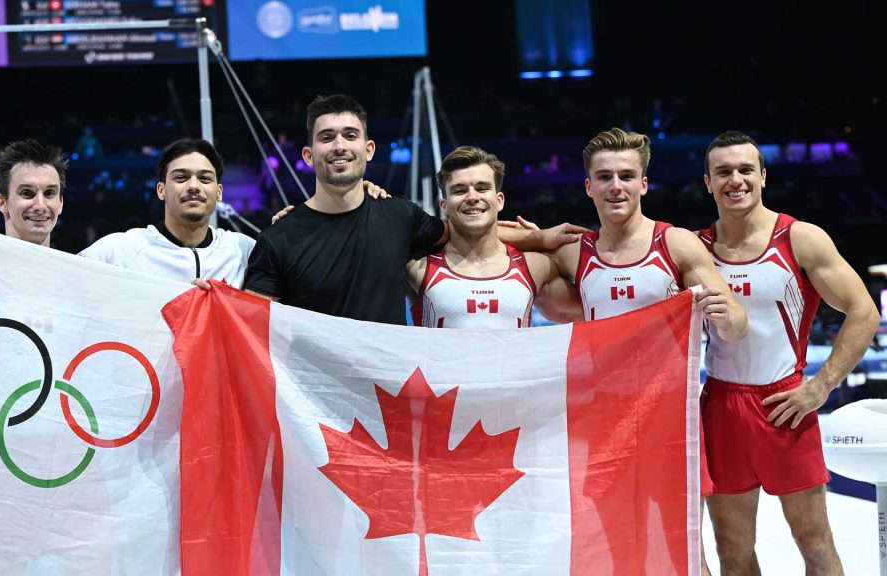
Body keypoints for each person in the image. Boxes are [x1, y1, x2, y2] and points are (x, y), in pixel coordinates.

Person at [507, 127, 747, 576]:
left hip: (669, 420)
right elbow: (484, 235)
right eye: (604, 177)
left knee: (684, 550)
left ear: (644, 184)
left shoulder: (675, 243)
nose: (615, 186)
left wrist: (725, 313)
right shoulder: (575, 252)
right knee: (613, 548)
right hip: (602, 423)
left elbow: (736, 325)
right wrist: (537, 238)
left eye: (626, 176)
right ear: (588, 186)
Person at [699, 131, 879, 576]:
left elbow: (864, 312)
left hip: (784, 406)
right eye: (723, 171)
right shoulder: (695, 249)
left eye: (745, 169)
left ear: (763, 176)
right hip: (721, 407)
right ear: (708, 182)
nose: (735, 180)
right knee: (732, 551)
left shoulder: (799, 239)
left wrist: (821, 386)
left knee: (815, 544)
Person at [242, 94, 587, 324]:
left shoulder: (399, 217)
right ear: (308, 155)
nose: (339, 146)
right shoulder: (278, 239)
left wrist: (540, 239)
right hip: (313, 406)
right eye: (327, 137)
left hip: (386, 403)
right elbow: (252, 332)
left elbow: (467, 228)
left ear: (369, 149)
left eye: (350, 135)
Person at [407, 145, 581, 328]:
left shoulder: (535, 267)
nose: (472, 197)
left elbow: (591, 310)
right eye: (460, 191)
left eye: (482, 188)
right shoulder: (416, 268)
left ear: (500, 201)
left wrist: (538, 241)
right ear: (444, 206)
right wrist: (535, 238)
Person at [80, 138, 255, 286]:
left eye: (204, 178)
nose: (193, 186)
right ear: (161, 190)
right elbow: (66, 281)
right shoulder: (120, 251)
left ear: (219, 192)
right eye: (181, 177)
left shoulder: (244, 251)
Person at [0, 139, 68, 247]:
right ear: (2, 203)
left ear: (61, 203)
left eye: (49, 193)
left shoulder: (82, 258)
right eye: (27, 193)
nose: (40, 206)